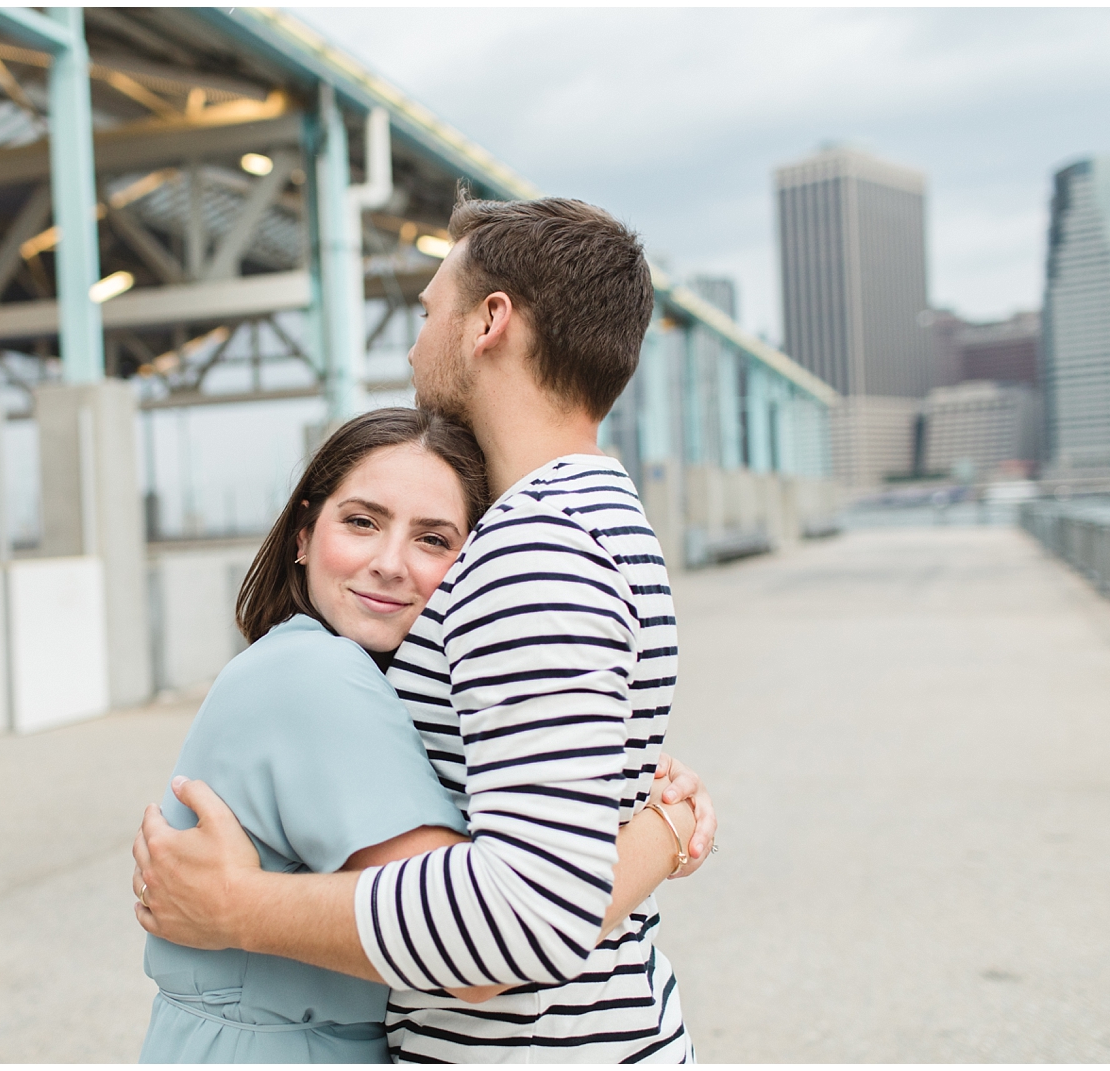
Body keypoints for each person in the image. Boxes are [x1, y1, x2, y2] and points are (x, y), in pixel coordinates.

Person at [136, 194, 714, 1062]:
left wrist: (238, 906)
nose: (413, 343)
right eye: (360, 523)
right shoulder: (606, 520)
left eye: (427, 309)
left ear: (489, 321)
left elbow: (522, 919)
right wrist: (656, 828)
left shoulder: (535, 548)